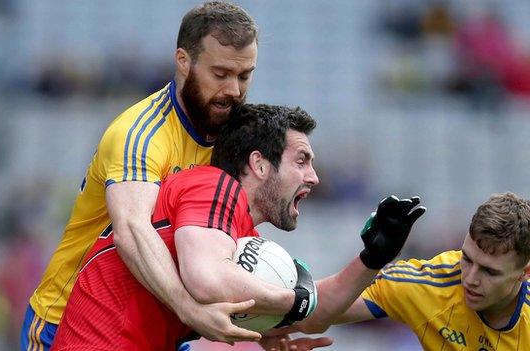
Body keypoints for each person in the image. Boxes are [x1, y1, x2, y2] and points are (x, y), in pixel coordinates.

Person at [50, 104, 426, 350]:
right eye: (302, 160)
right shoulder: (212, 186)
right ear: (260, 164)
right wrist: (294, 300)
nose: (313, 176)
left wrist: (373, 257)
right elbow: (207, 279)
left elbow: (313, 315)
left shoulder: (237, 239)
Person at [20, 2, 261, 350]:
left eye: (244, 75)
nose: (234, 91)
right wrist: (190, 309)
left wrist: (269, 327)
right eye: (220, 74)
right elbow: (132, 232)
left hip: (153, 324)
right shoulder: (141, 134)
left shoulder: (232, 137)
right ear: (183, 62)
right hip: (72, 322)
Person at [273, 192, 530, 351]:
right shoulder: (428, 284)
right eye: (467, 259)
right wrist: (371, 260)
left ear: (524, 272)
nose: (470, 279)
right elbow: (311, 316)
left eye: (490, 272)